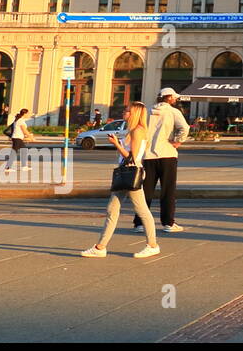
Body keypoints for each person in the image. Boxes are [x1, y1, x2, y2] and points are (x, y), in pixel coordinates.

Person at [81, 102, 160, 259]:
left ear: (135, 114)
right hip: (127, 173)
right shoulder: (133, 130)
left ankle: (152, 245)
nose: (124, 112)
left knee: (141, 211)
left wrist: (116, 144)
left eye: (127, 111)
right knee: (113, 209)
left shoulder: (138, 131)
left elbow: (131, 157)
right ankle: (100, 247)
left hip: (130, 173)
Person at [134, 88, 190, 234]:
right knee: (168, 190)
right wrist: (177, 141)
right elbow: (184, 127)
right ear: (169, 98)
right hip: (167, 154)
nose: (176, 100)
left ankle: (139, 223)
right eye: (174, 98)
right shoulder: (173, 112)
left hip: (147, 156)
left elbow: (139, 128)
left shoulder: (148, 111)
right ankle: (168, 223)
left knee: (145, 191)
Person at [2, 109, 33, 175]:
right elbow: (24, 131)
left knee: (23, 150)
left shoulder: (19, 120)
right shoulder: (21, 121)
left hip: (17, 138)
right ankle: (8, 168)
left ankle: (23, 166)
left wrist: (27, 136)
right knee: (15, 152)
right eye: (28, 113)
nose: (29, 115)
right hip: (17, 138)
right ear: (24, 114)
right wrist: (31, 137)